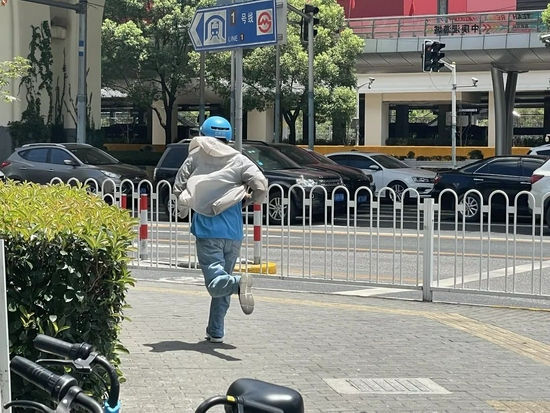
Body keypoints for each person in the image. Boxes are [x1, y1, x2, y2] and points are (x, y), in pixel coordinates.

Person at [173, 116, 268, 343]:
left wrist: (183, 210)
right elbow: (261, 185)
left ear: (202, 134)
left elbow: (179, 188)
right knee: (222, 279)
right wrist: (248, 201)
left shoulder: (195, 157)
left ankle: (239, 283)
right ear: (229, 137)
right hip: (233, 232)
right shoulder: (239, 159)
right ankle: (216, 330)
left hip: (207, 230)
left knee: (216, 283)